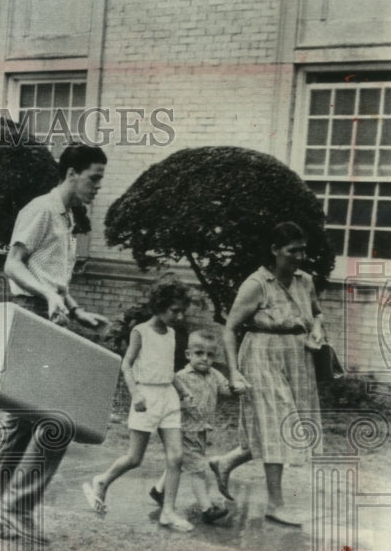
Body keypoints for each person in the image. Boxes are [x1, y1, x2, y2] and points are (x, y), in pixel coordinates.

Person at [0, 144, 109, 545]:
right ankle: (13, 511)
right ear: (71, 173)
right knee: (49, 421)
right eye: (94, 177)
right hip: (29, 316)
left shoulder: (68, 218)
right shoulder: (41, 210)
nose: (98, 186)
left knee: (27, 422)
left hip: (47, 317)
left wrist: (76, 311)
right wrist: (47, 297)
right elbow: (12, 264)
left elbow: (54, 281)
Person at [208, 221, 325, 527]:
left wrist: (317, 332)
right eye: (291, 251)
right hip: (261, 357)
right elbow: (231, 329)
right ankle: (275, 504)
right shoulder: (257, 284)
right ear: (274, 250)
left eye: (302, 250)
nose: (298, 257)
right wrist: (233, 372)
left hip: (298, 358)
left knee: (283, 426)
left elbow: (316, 313)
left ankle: (225, 462)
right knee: (277, 423)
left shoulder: (305, 281)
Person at [82, 280, 194, 532]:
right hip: (145, 397)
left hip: (169, 398)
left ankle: (168, 512)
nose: (179, 315)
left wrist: (182, 390)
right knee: (135, 458)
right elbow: (126, 365)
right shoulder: (140, 332)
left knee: (176, 457)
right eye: (174, 310)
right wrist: (135, 394)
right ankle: (102, 481)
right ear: (160, 307)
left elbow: (167, 369)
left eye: (181, 310)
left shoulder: (173, 333)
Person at [148, 329, 242, 524]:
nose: (205, 359)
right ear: (188, 354)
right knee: (197, 468)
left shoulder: (214, 374)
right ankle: (207, 508)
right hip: (184, 429)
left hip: (200, 429)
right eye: (199, 353)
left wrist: (236, 387)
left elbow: (225, 389)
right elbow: (169, 400)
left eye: (210, 355)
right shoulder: (181, 377)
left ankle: (158, 491)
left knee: (182, 463)